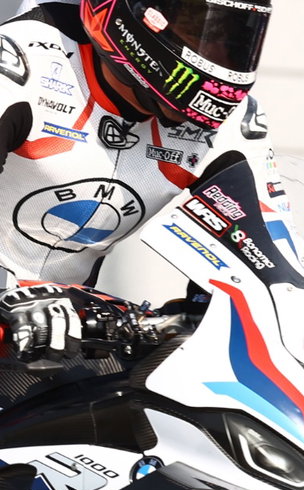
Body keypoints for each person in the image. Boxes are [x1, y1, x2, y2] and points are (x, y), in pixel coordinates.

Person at [0, 0, 274, 389]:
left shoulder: (234, 123)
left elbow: (264, 254)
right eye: (201, 32)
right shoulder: (20, 61)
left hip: (63, 337)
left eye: (234, 40)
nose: (220, 59)